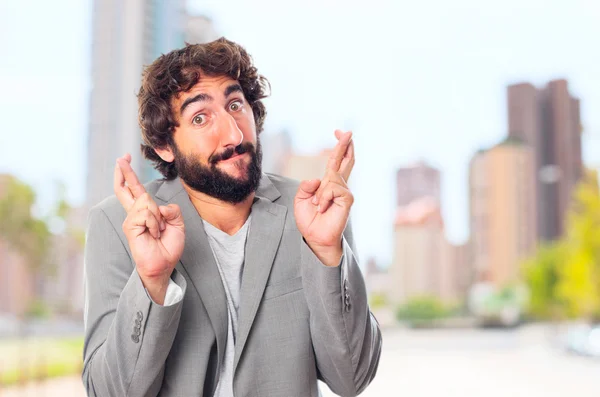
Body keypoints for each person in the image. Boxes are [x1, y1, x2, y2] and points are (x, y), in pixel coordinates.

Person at [82, 37, 381, 397]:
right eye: (200, 117)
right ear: (165, 146)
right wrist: (152, 280)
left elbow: (352, 377)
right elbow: (110, 392)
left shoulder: (315, 212)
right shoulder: (117, 225)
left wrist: (326, 251)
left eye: (236, 104)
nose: (234, 133)